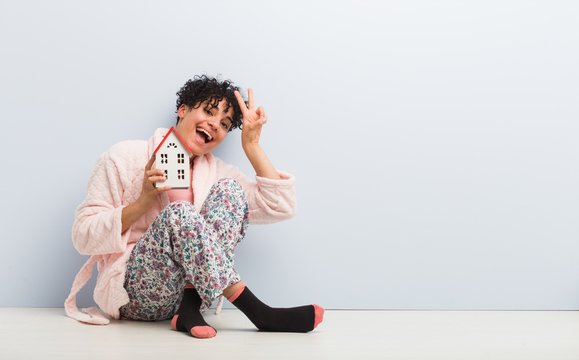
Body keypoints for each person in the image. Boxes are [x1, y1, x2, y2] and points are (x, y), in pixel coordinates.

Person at [64, 75, 324, 339]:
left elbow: (280, 206)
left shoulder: (217, 173)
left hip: (189, 301)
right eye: (208, 112)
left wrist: (252, 146)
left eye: (224, 123)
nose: (214, 124)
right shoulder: (124, 156)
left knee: (231, 191)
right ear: (183, 110)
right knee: (179, 213)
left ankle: (189, 308)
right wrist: (142, 201)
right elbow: (82, 236)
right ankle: (257, 311)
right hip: (135, 294)